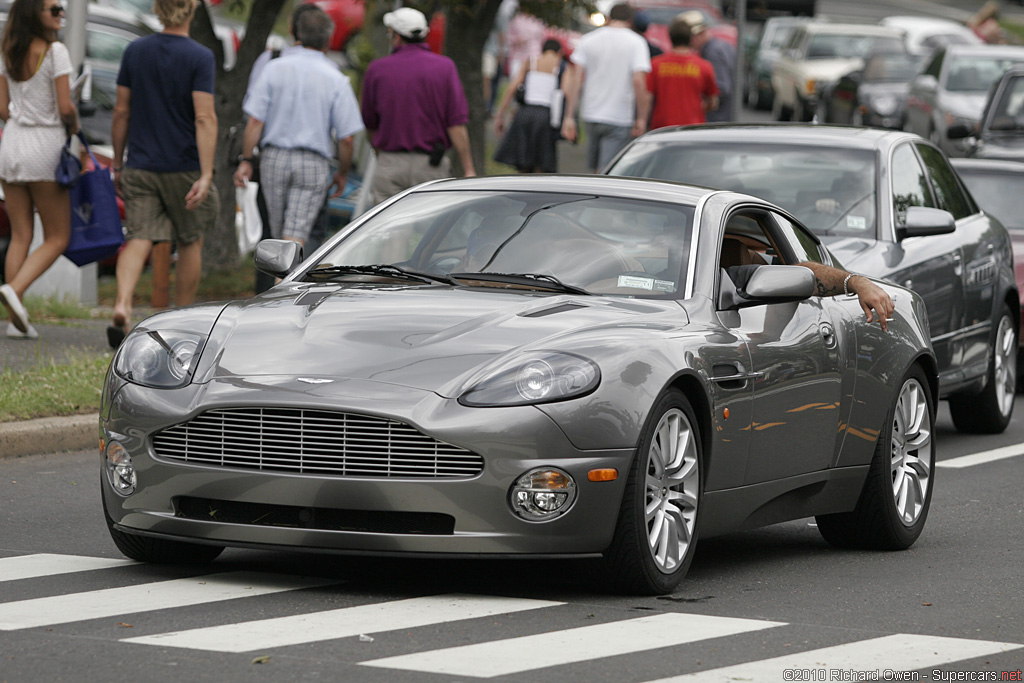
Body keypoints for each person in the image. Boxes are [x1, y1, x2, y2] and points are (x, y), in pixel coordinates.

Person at [109, 0, 219, 348]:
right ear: (192, 11)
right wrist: (205, 173)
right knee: (190, 239)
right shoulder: (200, 57)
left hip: (141, 164)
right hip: (183, 167)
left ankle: (123, 304)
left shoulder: (135, 51)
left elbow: (121, 111)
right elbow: (204, 117)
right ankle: (181, 318)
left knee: (139, 237)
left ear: (158, 9)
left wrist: (117, 162)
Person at [234, 5, 362, 252]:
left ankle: (276, 284)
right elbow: (346, 138)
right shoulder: (335, 77)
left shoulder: (274, 67)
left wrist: (247, 159)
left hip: (274, 158)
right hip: (313, 162)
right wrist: (343, 172)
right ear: (328, 39)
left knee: (276, 234)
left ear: (297, 34)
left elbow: (255, 121)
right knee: (295, 236)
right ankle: (285, 287)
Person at [0, 0, 78, 339]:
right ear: (36, 14)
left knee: (20, 234)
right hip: (45, 146)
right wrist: (73, 125)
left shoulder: (8, 52)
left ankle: (14, 318)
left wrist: (21, 121)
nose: (61, 13)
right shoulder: (55, 51)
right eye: (54, 8)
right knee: (59, 236)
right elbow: (64, 107)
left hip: (12, 142)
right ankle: (14, 291)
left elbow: (3, 108)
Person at [360, 7, 476, 207]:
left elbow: (369, 123)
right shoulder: (445, 68)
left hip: (390, 162)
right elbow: (456, 124)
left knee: (392, 232)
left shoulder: (377, 69)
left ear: (396, 35)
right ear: (423, 34)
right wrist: (468, 168)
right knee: (431, 232)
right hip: (431, 166)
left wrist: (381, 154)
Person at [560, 3, 651, 172]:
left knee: (594, 168)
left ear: (608, 18)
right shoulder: (637, 43)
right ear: (630, 21)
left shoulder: (588, 39)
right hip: (619, 115)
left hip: (591, 113)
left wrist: (569, 116)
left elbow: (576, 79)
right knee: (609, 171)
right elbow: (639, 82)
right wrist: (642, 117)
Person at [493, 38, 565, 173]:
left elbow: (511, 88)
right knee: (542, 163)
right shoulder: (560, 65)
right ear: (559, 52)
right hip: (546, 116)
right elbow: (566, 93)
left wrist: (500, 115)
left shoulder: (531, 62)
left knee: (523, 161)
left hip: (525, 113)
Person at [647, 17, 718, 129]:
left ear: (670, 37)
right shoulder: (704, 66)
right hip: (692, 128)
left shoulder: (655, 65)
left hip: (661, 127)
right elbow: (713, 102)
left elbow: (647, 98)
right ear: (690, 38)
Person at [681, 10, 735, 122]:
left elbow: (722, 87)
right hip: (726, 116)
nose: (690, 43)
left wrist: (701, 104)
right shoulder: (723, 46)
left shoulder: (712, 52)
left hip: (717, 118)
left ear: (697, 35)